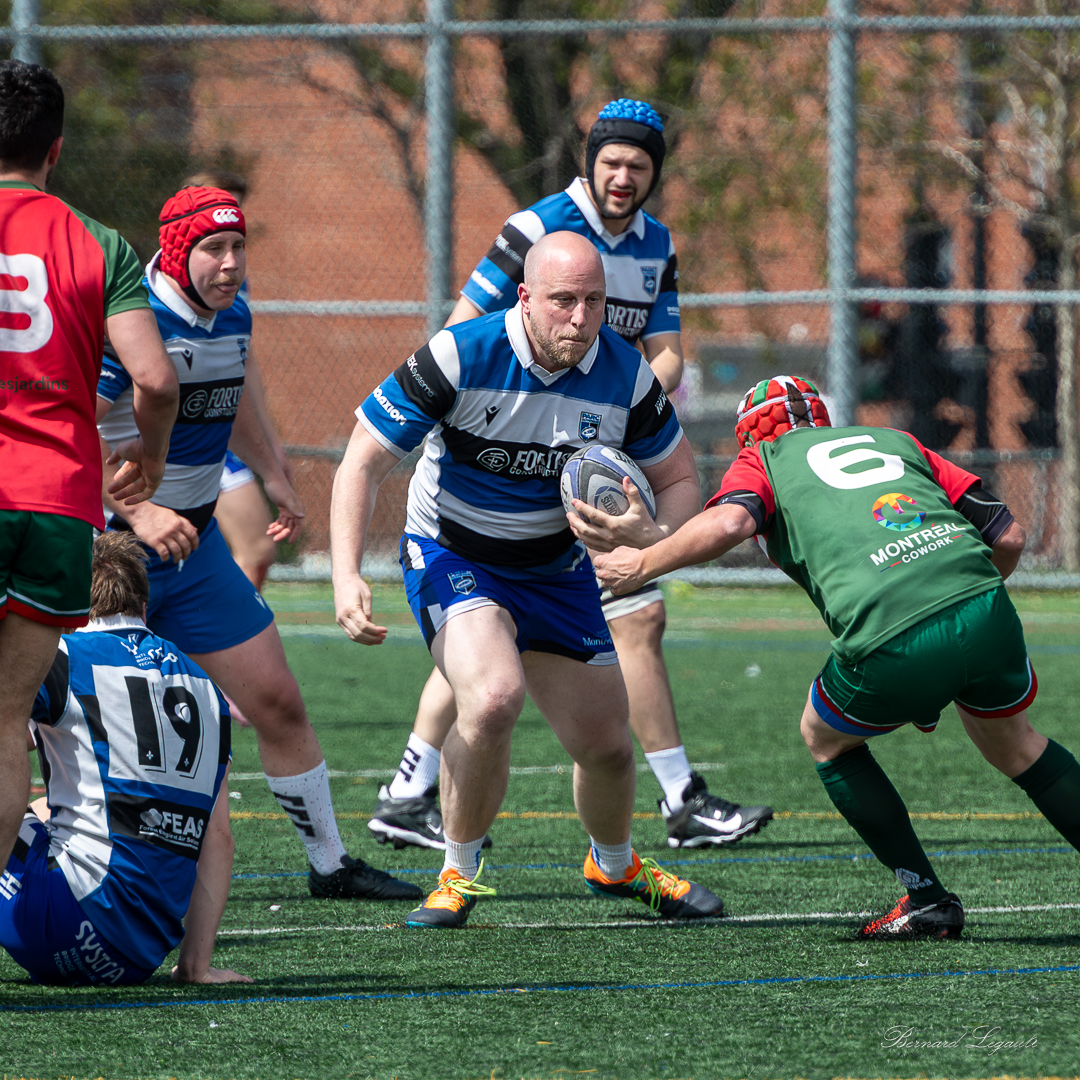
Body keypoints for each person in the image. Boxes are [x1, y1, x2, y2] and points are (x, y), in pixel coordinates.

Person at [370, 98, 772, 854]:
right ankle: (677, 794)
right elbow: (464, 330)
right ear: (590, 162)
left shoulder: (656, 243)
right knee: (540, 635)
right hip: (515, 449)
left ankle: (411, 787)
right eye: (611, 162)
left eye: (639, 165)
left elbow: (669, 351)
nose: (623, 177)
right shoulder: (537, 229)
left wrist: (617, 407)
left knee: (505, 640)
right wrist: (533, 413)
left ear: (655, 173)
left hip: (593, 450)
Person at [593, 375, 1080, 939]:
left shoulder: (765, 459)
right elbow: (1010, 539)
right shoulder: (895, 441)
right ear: (821, 419)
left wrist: (640, 565)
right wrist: (960, 620)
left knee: (825, 736)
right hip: (985, 604)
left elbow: (730, 521)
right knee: (1018, 745)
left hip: (889, 630)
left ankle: (925, 899)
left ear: (750, 435)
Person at [332, 231, 724, 928]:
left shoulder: (625, 374)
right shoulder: (460, 355)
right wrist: (345, 574)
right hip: (454, 554)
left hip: (556, 568)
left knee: (606, 745)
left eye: (595, 302)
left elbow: (680, 476)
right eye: (564, 301)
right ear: (525, 298)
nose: (580, 319)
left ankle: (615, 865)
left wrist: (653, 537)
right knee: (492, 699)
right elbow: (360, 461)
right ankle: (456, 873)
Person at [95, 185, 420, 903]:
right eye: (214, 248)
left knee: (277, 699)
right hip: (107, 559)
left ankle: (330, 864)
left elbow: (233, 392)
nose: (233, 263)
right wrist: (141, 515)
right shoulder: (132, 322)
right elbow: (67, 436)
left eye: (239, 246)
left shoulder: (231, 314)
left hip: (196, 546)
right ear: (178, 252)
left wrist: (275, 472)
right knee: (50, 728)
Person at [0, 60, 178, 872]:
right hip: (57, 506)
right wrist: (149, 465)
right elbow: (155, 379)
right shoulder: (99, 244)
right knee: (7, 721)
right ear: (57, 149)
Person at [0, 532, 249, 985]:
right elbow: (219, 837)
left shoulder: (63, 656)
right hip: (134, 958)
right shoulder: (210, 694)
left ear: (69, 601)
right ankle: (195, 964)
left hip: (59, 925)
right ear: (144, 607)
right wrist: (196, 965)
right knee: (45, 805)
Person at [181, 168, 286, 592]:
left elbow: (245, 366)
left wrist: (270, 441)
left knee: (255, 552)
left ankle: (212, 648)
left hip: (224, 430)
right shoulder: (161, 286)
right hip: (185, 436)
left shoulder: (233, 284)